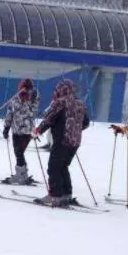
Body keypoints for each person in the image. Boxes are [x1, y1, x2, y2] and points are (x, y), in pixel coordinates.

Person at [32, 79, 90, 207]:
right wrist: (74, 130)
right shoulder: (80, 103)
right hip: (75, 142)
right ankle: (66, 194)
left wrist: (37, 131)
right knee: (63, 166)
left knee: (53, 167)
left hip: (62, 140)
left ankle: (55, 195)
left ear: (61, 90)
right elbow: (86, 122)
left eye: (57, 90)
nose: (56, 92)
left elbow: (49, 119)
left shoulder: (60, 102)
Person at [2, 79, 39, 185]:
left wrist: (32, 93)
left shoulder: (32, 99)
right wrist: (6, 127)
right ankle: (22, 174)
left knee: (19, 152)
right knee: (18, 153)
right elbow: (10, 113)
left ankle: (21, 175)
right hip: (16, 129)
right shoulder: (15, 99)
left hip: (27, 131)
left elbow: (35, 106)